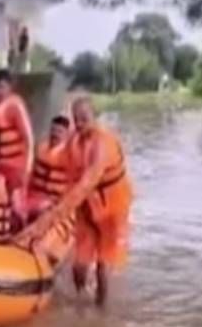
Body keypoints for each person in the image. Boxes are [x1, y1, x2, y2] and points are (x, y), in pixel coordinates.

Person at [65, 97, 134, 306]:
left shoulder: (105, 143)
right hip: (87, 211)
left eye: (84, 119)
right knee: (78, 268)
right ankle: (81, 303)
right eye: (75, 120)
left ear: (95, 118)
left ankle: (101, 310)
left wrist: (55, 214)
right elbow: (68, 177)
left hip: (112, 211)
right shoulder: (73, 144)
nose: (79, 124)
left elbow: (88, 180)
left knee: (103, 269)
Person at [24, 115, 72, 220]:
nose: (55, 134)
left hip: (55, 201)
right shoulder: (41, 148)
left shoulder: (71, 155)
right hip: (34, 196)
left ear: (67, 134)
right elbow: (31, 175)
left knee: (41, 211)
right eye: (53, 130)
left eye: (59, 131)